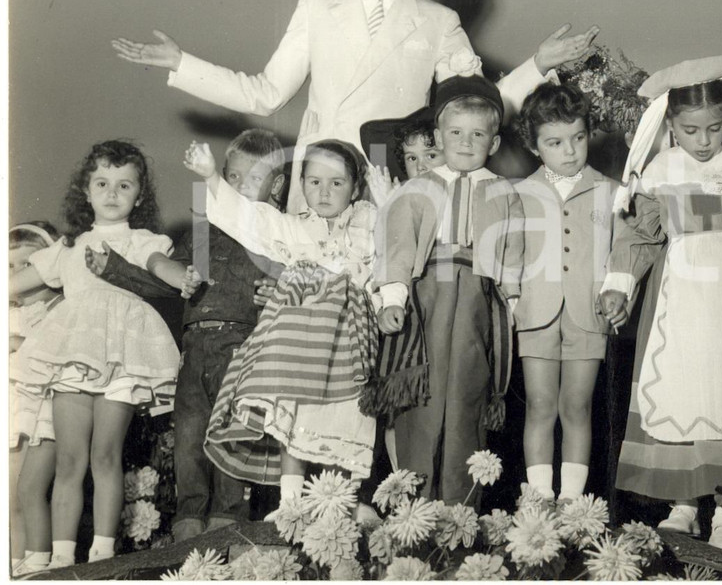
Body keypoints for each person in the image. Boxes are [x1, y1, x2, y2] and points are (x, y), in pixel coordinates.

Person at [110, 0, 599, 213]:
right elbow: (264, 95)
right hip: (320, 179)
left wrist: (538, 65)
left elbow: (479, 108)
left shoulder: (437, 21)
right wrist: (182, 64)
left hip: (393, 181)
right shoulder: (316, 7)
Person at [598, 55, 722, 554]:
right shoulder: (659, 171)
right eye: (691, 130)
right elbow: (641, 234)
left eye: (714, 128)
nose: (704, 140)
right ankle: (684, 503)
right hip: (679, 296)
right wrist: (618, 286)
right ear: (671, 124)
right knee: (683, 387)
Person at [86, 129, 287, 542]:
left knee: (232, 436)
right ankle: (188, 522)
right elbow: (167, 283)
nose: (239, 187)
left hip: (244, 348)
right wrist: (114, 268)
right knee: (189, 437)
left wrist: (279, 291)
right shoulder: (201, 233)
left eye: (253, 179)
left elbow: (298, 281)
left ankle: (228, 520)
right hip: (194, 348)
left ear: (277, 185)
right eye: (232, 177)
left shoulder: (277, 235)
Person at [184, 137, 380, 520]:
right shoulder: (292, 228)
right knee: (293, 414)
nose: (324, 192)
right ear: (301, 183)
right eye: (313, 181)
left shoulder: (367, 223)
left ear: (355, 188)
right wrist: (210, 177)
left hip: (348, 340)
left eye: (337, 183)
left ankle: (345, 502)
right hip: (301, 344)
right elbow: (252, 221)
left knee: (346, 416)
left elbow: (395, 244)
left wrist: (388, 200)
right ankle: (291, 503)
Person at [9, 140, 180, 569]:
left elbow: (161, 266)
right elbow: (15, 281)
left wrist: (186, 277)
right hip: (73, 355)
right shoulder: (67, 247)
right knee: (69, 459)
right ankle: (61, 557)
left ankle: (102, 553)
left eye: (124, 185)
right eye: (102, 183)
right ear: (85, 191)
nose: (111, 193)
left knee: (105, 455)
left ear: (138, 197)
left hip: (122, 355)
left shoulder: (143, 240)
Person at [368, 75, 523, 507]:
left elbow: (513, 252)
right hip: (427, 298)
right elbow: (398, 246)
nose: (466, 142)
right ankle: (410, 509)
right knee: (423, 399)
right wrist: (393, 299)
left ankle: (461, 511)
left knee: (466, 399)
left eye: (478, 134)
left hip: (478, 299)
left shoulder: (504, 192)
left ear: (493, 143)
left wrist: (512, 305)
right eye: (455, 133)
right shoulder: (417, 190)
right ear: (439, 137)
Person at [512, 83, 617, 502]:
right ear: (535, 147)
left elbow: (621, 255)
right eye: (555, 143)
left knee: (577, 406)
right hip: (535, 312)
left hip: (588, 313)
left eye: (577, 138)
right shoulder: (519, 193)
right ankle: (538, 500)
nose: (570, 151)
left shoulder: (611, 191)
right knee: (539, 406)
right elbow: (510, 255)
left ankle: (573, 506)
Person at [9, 222, 64, 575]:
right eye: (9, 267)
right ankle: (13, 565)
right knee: (10, 496)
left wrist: (18, 346)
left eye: (27, 266)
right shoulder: (10, 315)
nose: (17, 276)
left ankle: (40, 563)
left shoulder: (59, 308)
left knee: (31, 492)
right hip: (13, 410)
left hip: (44, 411)